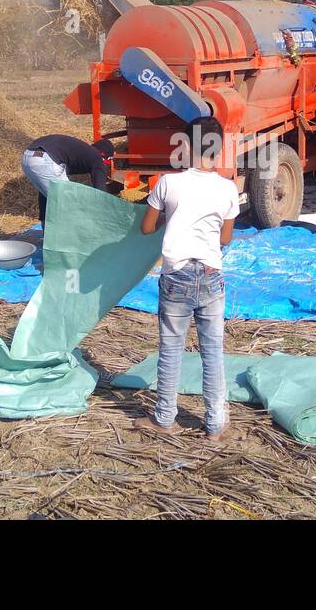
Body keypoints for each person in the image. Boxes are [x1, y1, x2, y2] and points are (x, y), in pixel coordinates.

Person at [135, 115, 239, 442]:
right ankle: (216, 424)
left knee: (171, 349)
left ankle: (164, 418)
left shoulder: (168, 183)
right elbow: (225, 239)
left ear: (188, 146)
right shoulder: (227, 188)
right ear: (219, 149)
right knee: (213, 350)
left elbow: (146, 228)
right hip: (211, 276)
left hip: (175, 275)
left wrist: (173, 217)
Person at [20, 134, 116, 227]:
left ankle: (48, 232)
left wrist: (43, 217)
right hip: (45, 159)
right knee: (69, 204)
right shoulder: (97, 158)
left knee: (52, 194)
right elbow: (101, 193)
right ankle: (72, 239)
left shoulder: (81, 152)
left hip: (27, 156)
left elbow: (47, 191)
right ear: (103, 155)